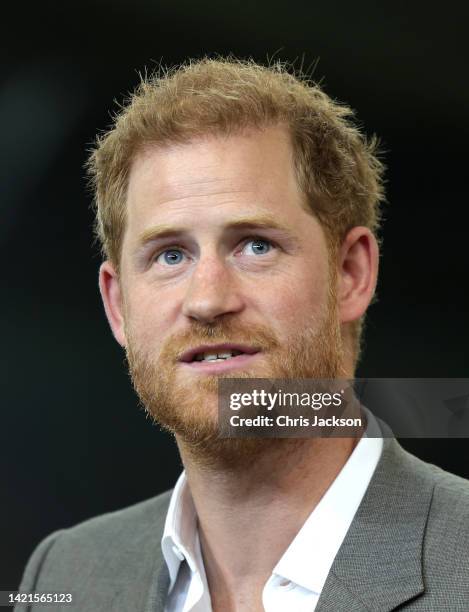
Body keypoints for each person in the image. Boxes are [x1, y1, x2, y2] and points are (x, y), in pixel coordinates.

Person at [16, 58, 469, 611]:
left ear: (350, 274)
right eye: (170, 255)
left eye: (255, 245)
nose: (207, 300)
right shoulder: (63, 575)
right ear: (117, 306)